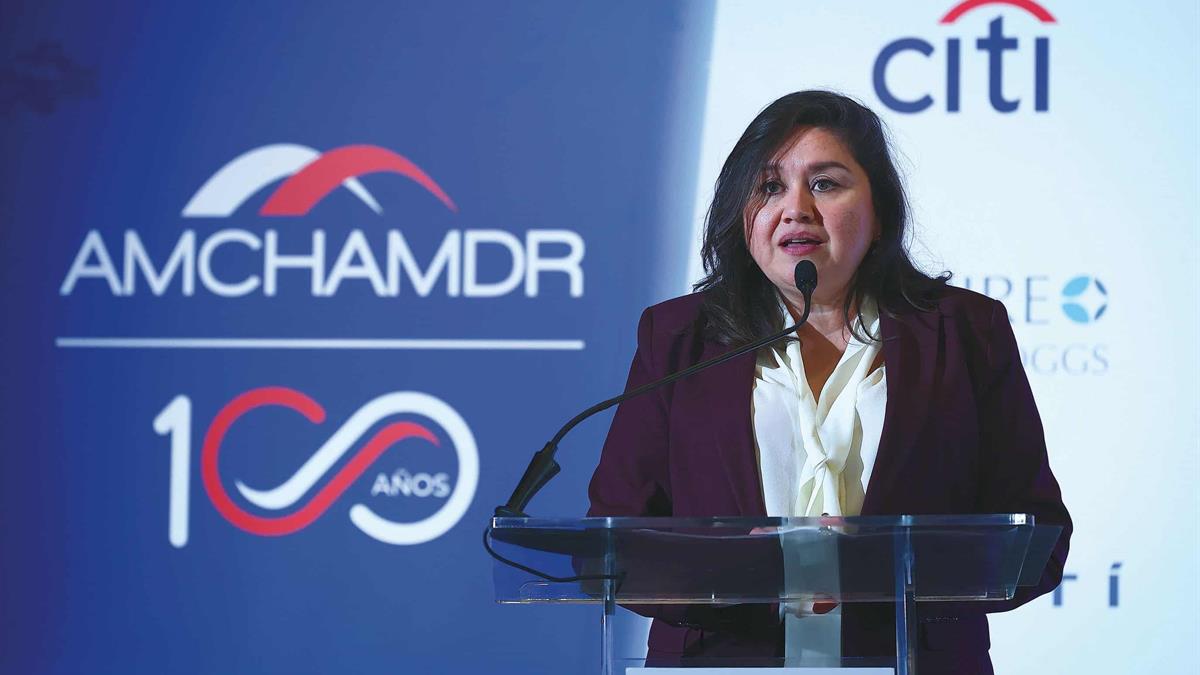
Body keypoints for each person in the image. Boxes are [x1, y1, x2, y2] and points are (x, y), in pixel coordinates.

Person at [586, 90, 1071, 674]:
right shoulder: (679, 337)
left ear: (880, 210)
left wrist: (877, 563)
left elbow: (1036, 541)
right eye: (769, 187)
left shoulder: (964, 331)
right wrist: (735, 569)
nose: (795, 209)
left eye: (824, 184)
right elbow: (612, 544)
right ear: (741, 214)